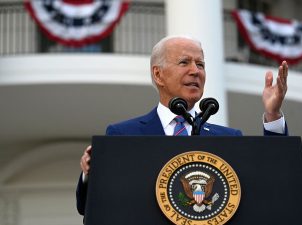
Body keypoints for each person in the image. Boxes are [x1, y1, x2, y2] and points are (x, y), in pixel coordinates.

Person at [76, 35, 288, 215]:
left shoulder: (229, 140)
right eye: (184, 62)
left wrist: (272, 114)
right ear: (158, 74)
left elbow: (272, 183)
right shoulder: (123, 135)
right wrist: (90, 174)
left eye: (201, 64)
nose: (196, 71)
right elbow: (91, 207)